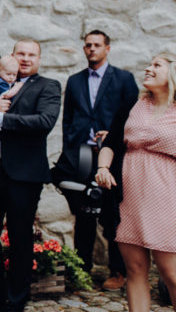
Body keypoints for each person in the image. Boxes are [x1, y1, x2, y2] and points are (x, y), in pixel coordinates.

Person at [0, 39, 61, 312]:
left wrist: (0, 118)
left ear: (39, 59)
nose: (24, 58)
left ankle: (15, 304)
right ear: (11, 55)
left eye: (31, 54)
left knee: (20, 240)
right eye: (20, 53)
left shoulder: (48, 86)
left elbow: (43, 121)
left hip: (23, 174)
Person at [96, 52, 176, 312]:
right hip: (130, 197)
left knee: (171, 274)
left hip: (167, 197)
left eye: (157, 65)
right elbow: (112, 142)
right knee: (136, 270)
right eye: (149, 63)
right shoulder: (135, 105)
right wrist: (103, 166)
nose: (148, 68)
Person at [54, 30, 139, 290]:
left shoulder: (124, 79)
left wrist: (115, 136)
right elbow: (68, 118)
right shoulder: (75, 80)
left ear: (107, 48)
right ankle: (82, 268)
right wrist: (70, 147)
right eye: (88, 45)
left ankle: (118, 271)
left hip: (111, 157)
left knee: (112, 215)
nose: (91, 49)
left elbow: (135, 116)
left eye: (97, 45)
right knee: (83, 214)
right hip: (81, 155)